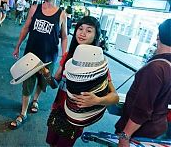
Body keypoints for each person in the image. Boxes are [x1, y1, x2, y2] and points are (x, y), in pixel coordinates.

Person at [46, 16, 119, 147]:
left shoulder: (98, 65)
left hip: (76, 115)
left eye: (89, 30)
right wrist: (45, 74)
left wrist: (97, 100)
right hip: (58, 110)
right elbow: (54, 84)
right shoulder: (68, 56)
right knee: (52, 144)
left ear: (96, 35)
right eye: (80, 28)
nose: (82, 33)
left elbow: (115, 97)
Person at [8, 0, 67, 130]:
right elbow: (26, 27)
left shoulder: (61, 14)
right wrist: (18, 46)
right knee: (27, 83)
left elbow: (64, 37)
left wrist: (64, 56)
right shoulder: (34, 9)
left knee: (42, 83)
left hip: (49, 58)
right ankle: (23, 113)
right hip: (31, 56)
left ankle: (36, 99)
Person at [115, 19, 171, 147]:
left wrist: (125, 136)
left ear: (158, 37)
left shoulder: (155, 68)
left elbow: (142, 110)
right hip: (158, 131)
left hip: (140, 134)